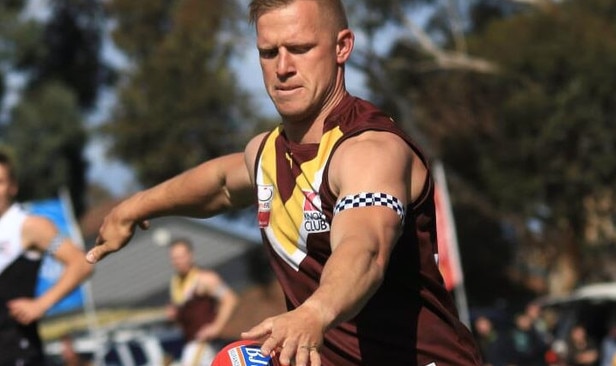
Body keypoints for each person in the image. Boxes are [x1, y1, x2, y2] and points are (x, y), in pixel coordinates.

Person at [86, 0, 482, 365]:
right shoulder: (268, 153)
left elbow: (365, 247)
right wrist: (133, 207)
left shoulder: (369, 151)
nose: (283, 67)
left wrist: (314, 312)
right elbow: (220, 183)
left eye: (300, 48)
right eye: (269, 52)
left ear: (342, 47)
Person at [0, 150, 93, 365]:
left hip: (18, 351)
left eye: (0, 181)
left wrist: (41, 304)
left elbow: (81, 264)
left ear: (12, 187)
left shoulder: (30, 225)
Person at [166, 238, 239, 366]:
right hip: (189, 342)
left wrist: (216, 327)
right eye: (174, 258)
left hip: (205, 345)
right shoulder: (176, 283)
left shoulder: (204, 279)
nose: (178, 261)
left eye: (181, 256)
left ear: (190, 255)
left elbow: (230, 299)